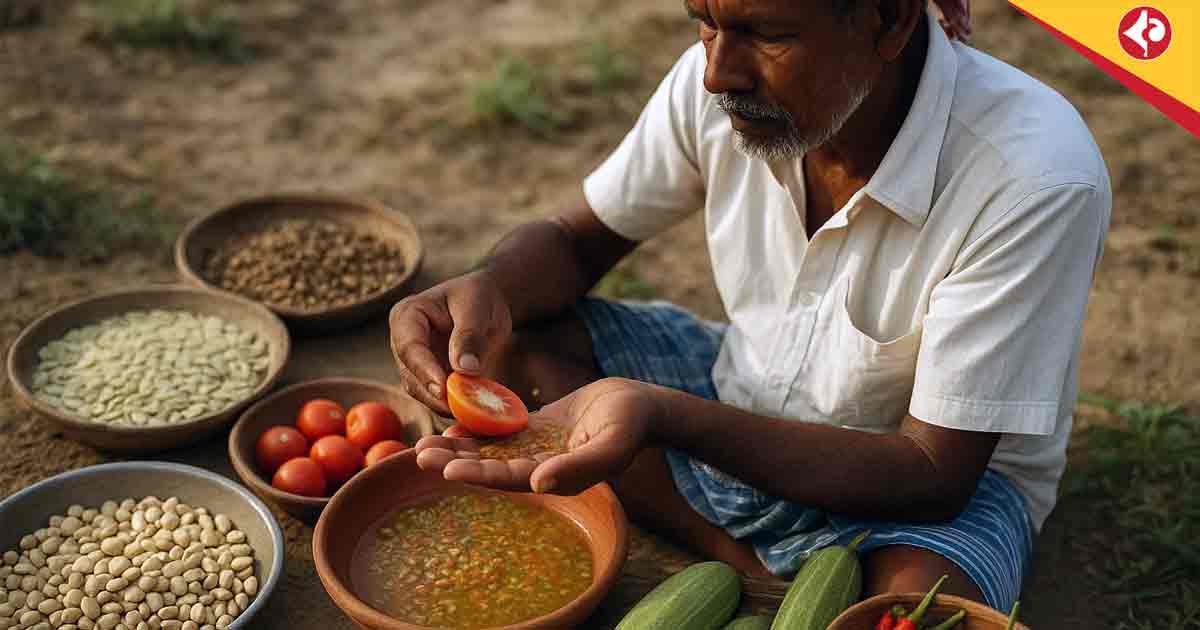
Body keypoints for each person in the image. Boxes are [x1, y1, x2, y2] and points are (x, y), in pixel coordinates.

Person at [390, 0, 1109, 612]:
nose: (717, 73)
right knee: (518, 349)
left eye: (768, 35)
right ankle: (742, 561)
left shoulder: (1032, 178)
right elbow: (574, 243)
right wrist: (491, 289)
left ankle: (748, 562)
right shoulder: (717, 87)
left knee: (919, 605)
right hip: (746, 387)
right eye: (703, 21)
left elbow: (932, 473)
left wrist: (662, 416)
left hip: (924, 484)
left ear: (889, 19)